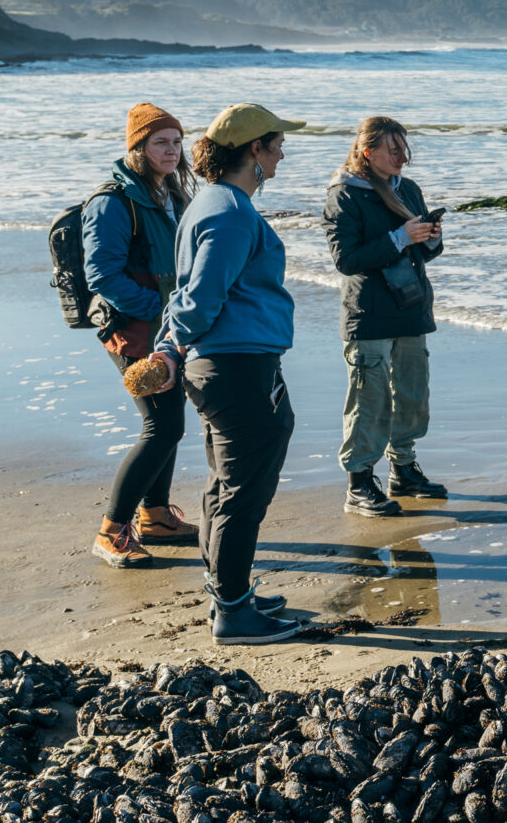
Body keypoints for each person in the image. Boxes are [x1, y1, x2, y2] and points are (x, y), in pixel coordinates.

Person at [146, 102, 307, 645]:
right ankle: (234, 613)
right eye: (277, 143)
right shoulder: (230, 212)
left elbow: (184, 294)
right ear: (253, 151)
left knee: (226, 486)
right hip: (236, 366)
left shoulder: (211, 203)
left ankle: (228, 592)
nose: (283, 151)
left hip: (228, 364)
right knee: (243, 489)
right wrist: (170, 344)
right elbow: (200, 298)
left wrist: (171, 347)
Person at [83, 103, 196, 568]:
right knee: (163, 425)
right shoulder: (113, 202)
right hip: (133, 330)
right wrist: (162, 311)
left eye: (176, 141)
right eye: (160, 142)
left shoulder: (172, 194)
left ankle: (155, 515)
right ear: (138, 148)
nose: (171, 151)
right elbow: (101, 276)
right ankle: (112, 531)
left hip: (168, 328)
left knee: (169, 422)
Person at [322, 116, 447, 517]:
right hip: (369, 313)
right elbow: (346, 261)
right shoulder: (344, 194)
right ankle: (358, 484)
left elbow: (425, 253)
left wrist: (432, 237)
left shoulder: (407, 188)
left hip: (410, 307)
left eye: (404, 148)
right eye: (393, 149)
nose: (401, 157)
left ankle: (403, 470)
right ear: (367, 151)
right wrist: (399, 237)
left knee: (413, 395)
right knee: (369, 400)